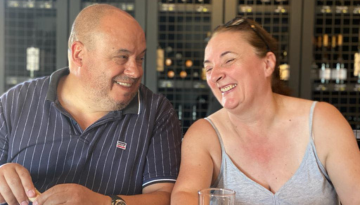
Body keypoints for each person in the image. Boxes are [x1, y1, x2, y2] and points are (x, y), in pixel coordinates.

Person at [0, 4, 182, 205]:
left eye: (139, 58)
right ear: (79, 55)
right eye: (122, 57)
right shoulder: (14, 102)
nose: (136, 71)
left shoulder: (156, 112)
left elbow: (164, 198)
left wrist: (102, 202)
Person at [171, 16, 360, 205]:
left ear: (267, 64)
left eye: (228, 60)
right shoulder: (204, 134)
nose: (215, 76)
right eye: (209, 68)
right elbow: (185, 195)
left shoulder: (322, 122)